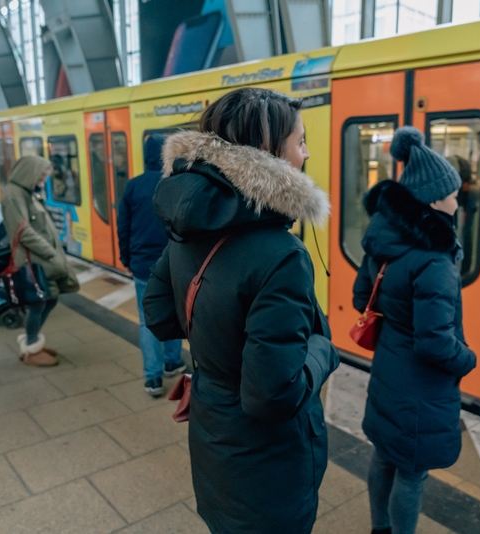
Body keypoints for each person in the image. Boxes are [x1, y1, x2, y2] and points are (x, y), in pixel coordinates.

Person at [143, 88, 339, 534]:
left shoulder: (189, 224)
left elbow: (159, 314)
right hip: (267, 463)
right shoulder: (281, 253)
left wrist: (216, 343)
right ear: (269, 151)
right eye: (300, 141)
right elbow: (273, 395)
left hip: (213, 435)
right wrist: (323, 349)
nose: (306, 154)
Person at [353, 126, 477, 534]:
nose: (458, 200)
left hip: (389, 371)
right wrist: (468, 359)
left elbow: (361, 299)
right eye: (453, 193)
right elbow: (435, 343)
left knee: (385, 456)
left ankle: (378, 529)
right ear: (434, 199)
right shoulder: (435, 260)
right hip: (422, 389)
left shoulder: (384, 241)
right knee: (412, 475)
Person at [117, 136, 184, 397]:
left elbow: (124, 228)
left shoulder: (133, 187)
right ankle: (172, 362)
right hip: (173, 263)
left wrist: (126, 260)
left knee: (147, 321)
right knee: (176, 312)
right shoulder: (176, 184)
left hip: (143, 264)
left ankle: (153, 379)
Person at [1, 156, 79, 366]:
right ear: (30, 173)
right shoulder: (14, 195)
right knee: (39, 302)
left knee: (48, 299)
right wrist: (51, 252)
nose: (44, 180)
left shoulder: (26, 192)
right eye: (42, 176)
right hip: (35, 260)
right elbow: (22, 230)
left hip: (42, 259)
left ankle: (31, 342)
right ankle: (31, 348)